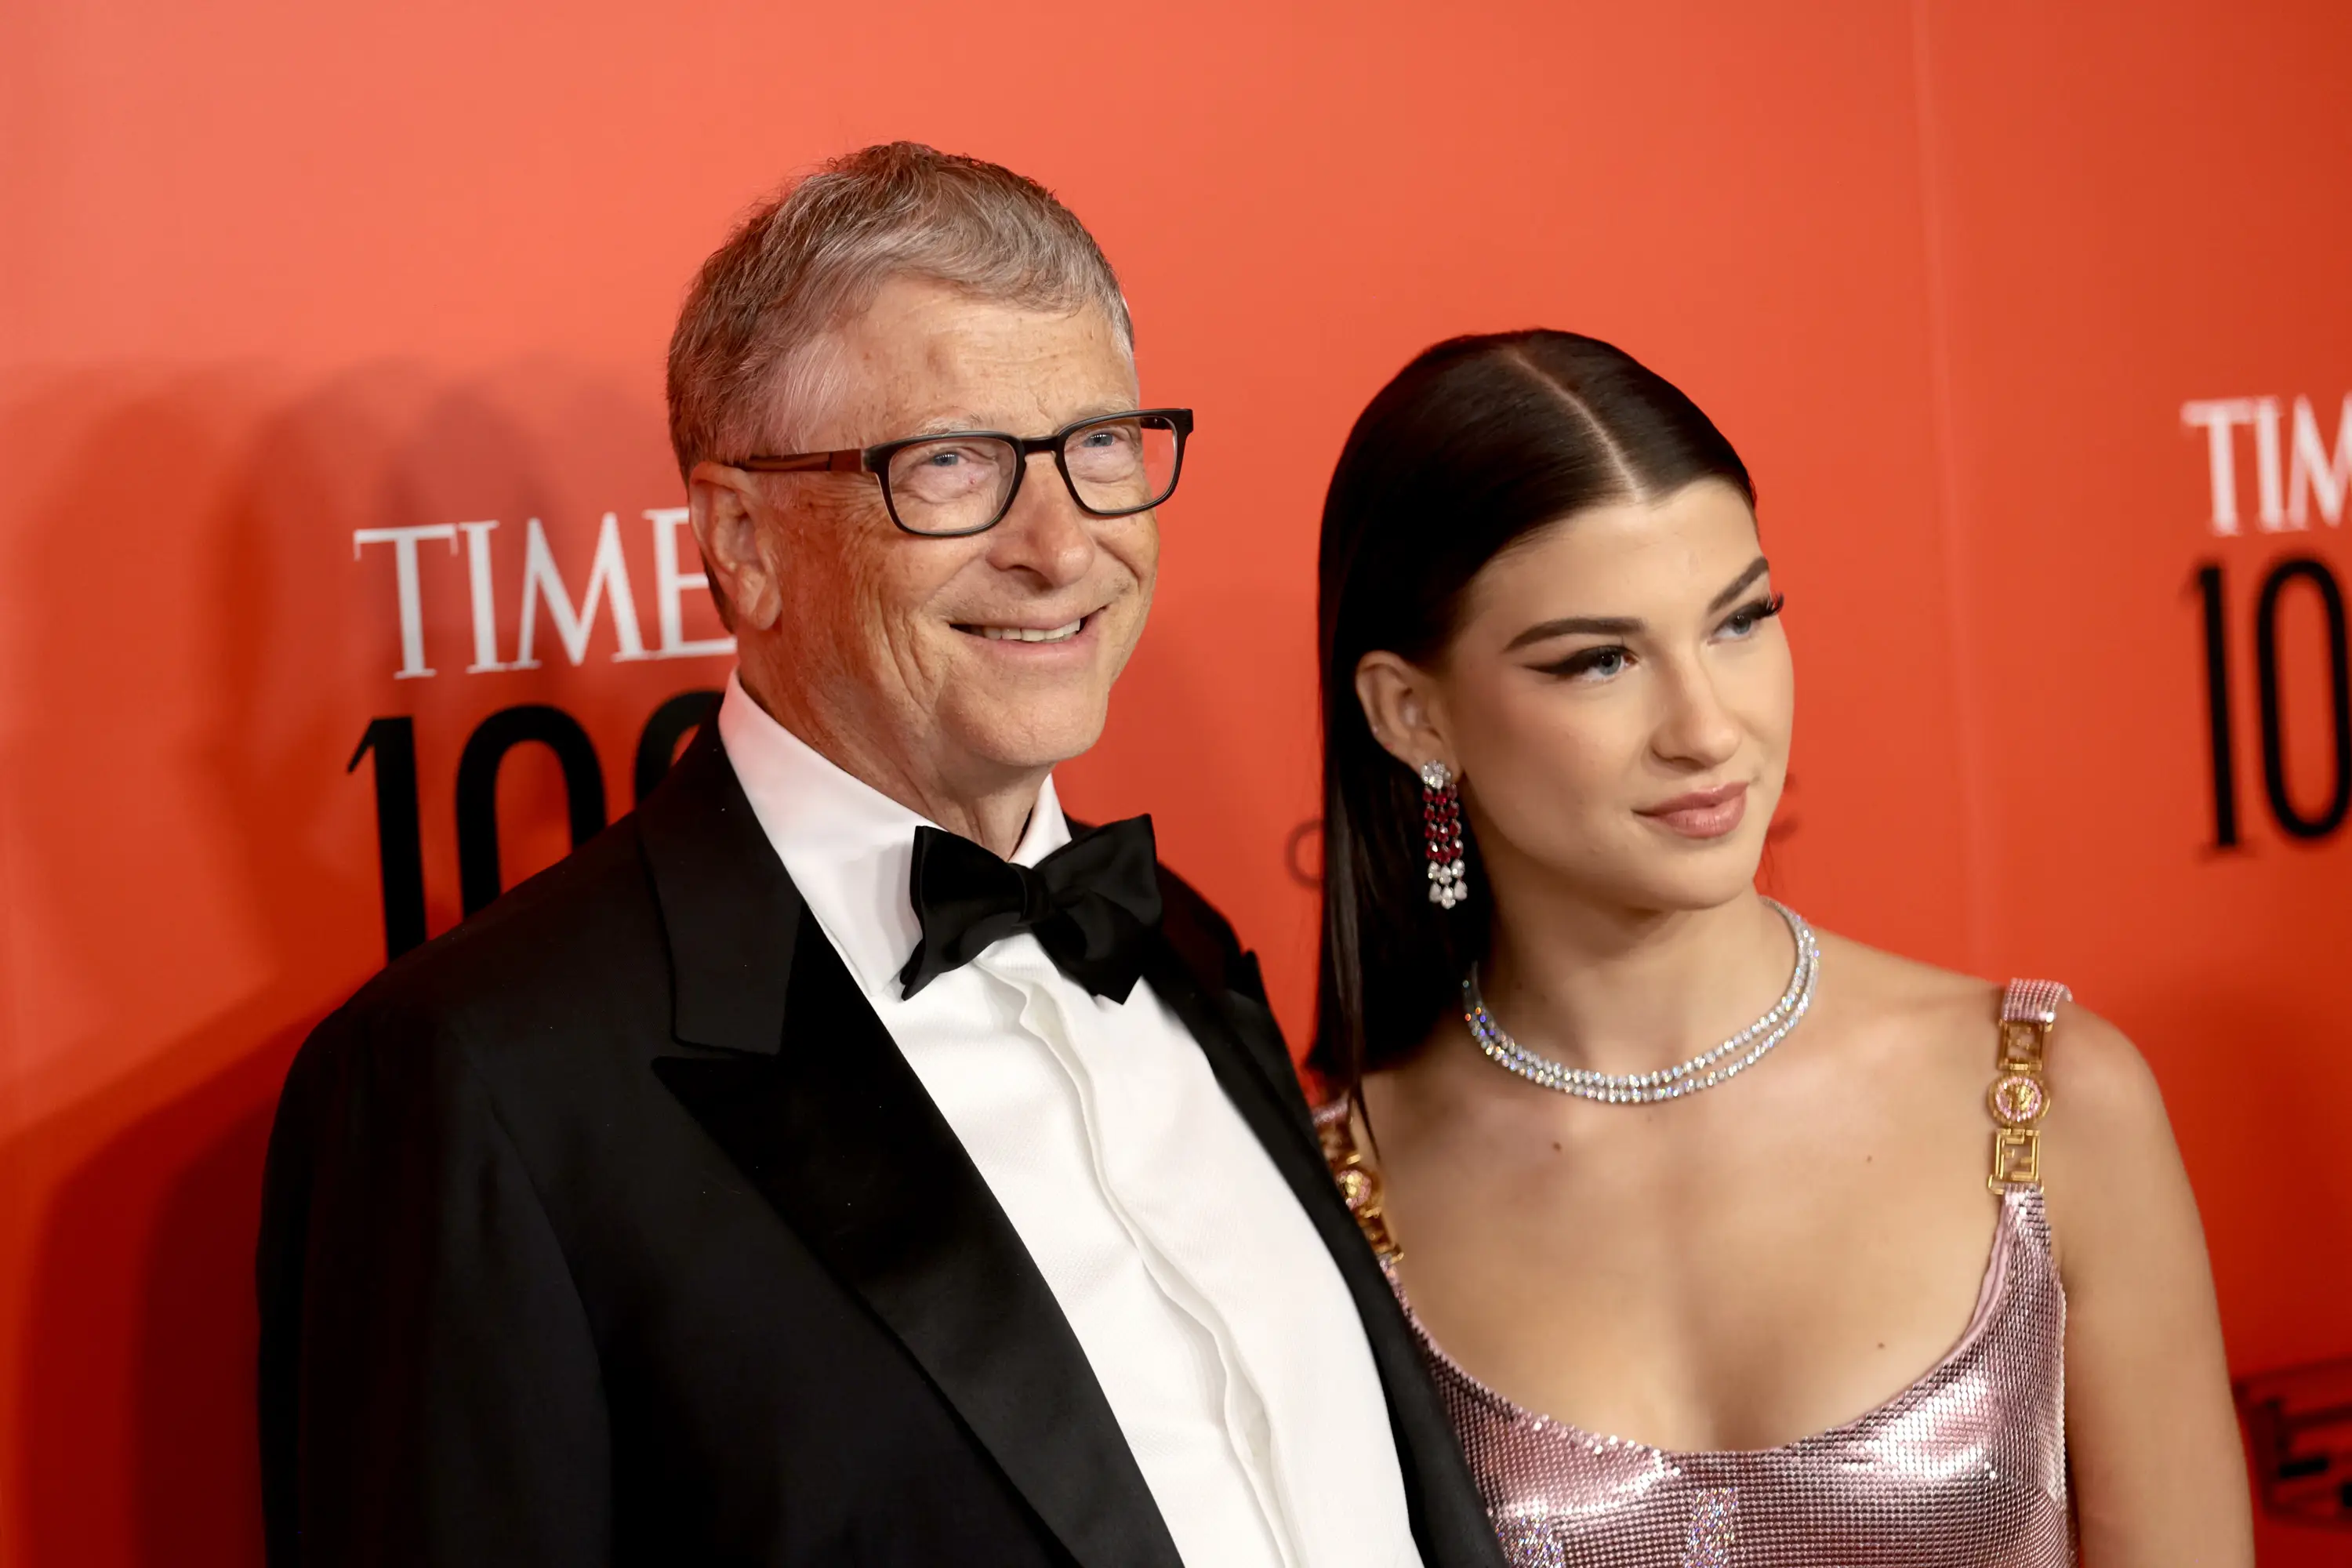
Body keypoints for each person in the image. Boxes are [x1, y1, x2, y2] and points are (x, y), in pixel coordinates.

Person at [256, 143, 1502, 1568]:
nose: (1062, 544)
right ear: (743, 541)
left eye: (1101, 444)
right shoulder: (483, 1084)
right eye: (953, 465)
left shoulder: (1187, 944)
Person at [1310, 330, 2256, 1564]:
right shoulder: (1335, 1197)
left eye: (1741, 621)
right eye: (1600, 660)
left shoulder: (2046, 1097)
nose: (1708, 728)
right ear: (1412, 712)